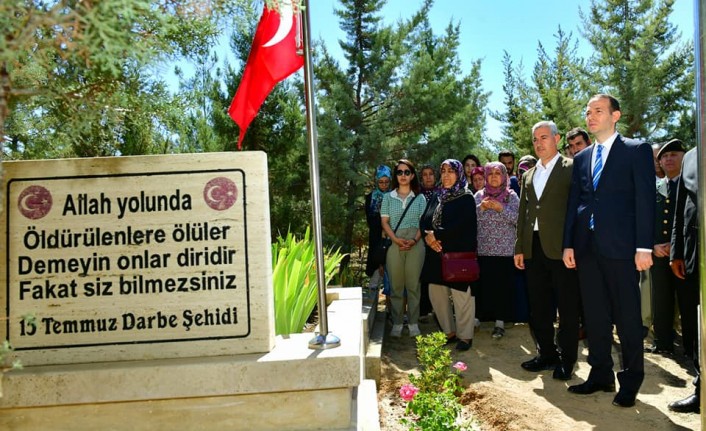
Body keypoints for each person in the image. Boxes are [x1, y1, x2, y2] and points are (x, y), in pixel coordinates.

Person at [562, 94, 655, 408]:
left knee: (628, 319)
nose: (591, 116)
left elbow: (645, 200)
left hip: (623, 250)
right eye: (588, 111)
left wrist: (644, 246)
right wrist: (568, 244)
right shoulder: (582, 157)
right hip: (587, 250)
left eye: (598, 110)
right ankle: (600, 374)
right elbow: (575, 204)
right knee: (596, 317)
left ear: (616, 115)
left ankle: (630, 382)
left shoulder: (636, 150)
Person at [515, 121, 580, 381]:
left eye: (544, 137)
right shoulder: (528, 175)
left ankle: (567, 360)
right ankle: (546, 354)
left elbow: (578, 210)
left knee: (567, 308)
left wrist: (572, 244)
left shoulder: (572, 168)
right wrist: (520, 247)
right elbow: (523, 213)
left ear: (557, 138)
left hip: (562, 249)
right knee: (538, 307)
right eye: (535, 139)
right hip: (534, 248)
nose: (539, 143)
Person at [420, 159, 478, 351]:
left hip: (457, 255)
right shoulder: (437, 196)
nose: (445, 175)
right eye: (443, 171)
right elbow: (424, 220)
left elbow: (461, 226)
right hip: (435, 254)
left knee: (462, 297)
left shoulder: (466, 197)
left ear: (459, 174)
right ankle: (449, 331)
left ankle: (465, 336)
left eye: (450, 171)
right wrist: (428, 237)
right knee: (436, 295)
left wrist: (436, 236)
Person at [645, 139, 687, 355]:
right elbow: (648, 220)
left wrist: (677, 246)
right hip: (659, 254)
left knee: (687, 302)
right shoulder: (655, 188)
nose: (668, 159)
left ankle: (692, 348)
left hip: (685, 255)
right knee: (661, 299)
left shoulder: (693, 184)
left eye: (674, 154)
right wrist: (653, 245)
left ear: (684, 158)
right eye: (664, 156)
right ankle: (662, 342)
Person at [668, 147, 700, 413]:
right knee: (696, 323)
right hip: (692, 256)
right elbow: (680, 210)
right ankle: (702, 388)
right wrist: (676, 252)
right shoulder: (690, 156)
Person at [381, 159, 427, 338]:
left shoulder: (420, 197)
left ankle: (414, 322)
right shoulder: (387, 197)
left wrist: (414, 241)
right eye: (399, 172)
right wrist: (396, 240)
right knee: (396, 286)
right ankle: (398, 322)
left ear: (412, 175)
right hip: (394, 243)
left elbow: (423, 223)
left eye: (406, 172)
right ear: (396, 175)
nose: (403, 175)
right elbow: (384, 222)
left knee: (414, 285)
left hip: (416, 243)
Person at [475, 162, 520, 339]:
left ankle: (500, 323)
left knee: (502, 288)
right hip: (483, 249)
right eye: (490, 173)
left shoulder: (512, 197)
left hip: (505, 251)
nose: (494, 176)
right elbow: (471, 218)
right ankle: (478, 318)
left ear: (504, 176)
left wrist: (500, 208)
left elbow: (517, 220)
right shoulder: (479, 195)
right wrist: (482, 208)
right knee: (482, 287)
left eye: (498, 173)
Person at [365, 165, 392, 297]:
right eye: (381, 181)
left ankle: (391, 311)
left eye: (386, 181)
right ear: (377, 181)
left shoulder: (395, 195)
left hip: (392, 238)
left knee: (391, 278)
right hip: (376, 240)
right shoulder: (371, 197)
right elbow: (370, 220)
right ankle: (372, 307)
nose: (384, 184)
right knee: (376, 274)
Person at [418, 164, 438, 320]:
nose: (428, 177)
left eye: (431, 173)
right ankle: (423, 310)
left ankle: (437, 310)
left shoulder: (441, 193)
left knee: (434, 276)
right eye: (425, 174)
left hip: (436, 238)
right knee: (421, 276)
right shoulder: (416, 193)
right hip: (418, 238)